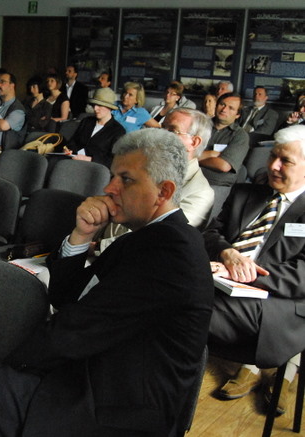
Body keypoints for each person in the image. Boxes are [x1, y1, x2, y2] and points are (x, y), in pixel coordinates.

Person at [0, 128, 213, 437]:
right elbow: (66, 296)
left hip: (99, 411)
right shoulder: (145, 238)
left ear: (164, 191)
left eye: (126, 179)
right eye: (112, 176)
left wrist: (3, 370)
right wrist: (81, 235)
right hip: (75, 381)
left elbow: (73, 331)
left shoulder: (171, 252)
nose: (109, 188)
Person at [206, 125, 305, 415]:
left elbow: (302, 274)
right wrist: (228, 254)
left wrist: (242, 272)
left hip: (280, 301)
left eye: (286, 161)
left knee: (186, 310)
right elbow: (210, 234)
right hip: (222, 283)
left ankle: (278, 372)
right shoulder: (245, 193)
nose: (273, 166)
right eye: (273, 156)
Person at [95, 108, 215, 253]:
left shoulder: (201, 192)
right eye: (162, 127)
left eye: (172, 130)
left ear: (194, 142)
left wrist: (96, 247)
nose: (161, 135)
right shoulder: (142, 168)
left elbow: (162, 237)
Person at [199, 92, 249, 187]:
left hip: (215, 184)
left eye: (231, 108)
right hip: (188, 177)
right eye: (222, 104)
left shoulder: (240, 135)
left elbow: (223, 166)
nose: (224, 110)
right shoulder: (200, 125)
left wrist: (193, 159)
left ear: (237, 114)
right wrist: (211, 154)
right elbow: (182, 153)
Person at [66, 87, 125, 168]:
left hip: (95, 168)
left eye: (100, 105)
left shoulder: (118, 131)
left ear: (109, 107)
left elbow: (114, 160)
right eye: (94, 105)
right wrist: (68, 149)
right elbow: (73, 141)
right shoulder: (86, 121)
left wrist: (89, 159)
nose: (95, 108)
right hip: (74, 161)